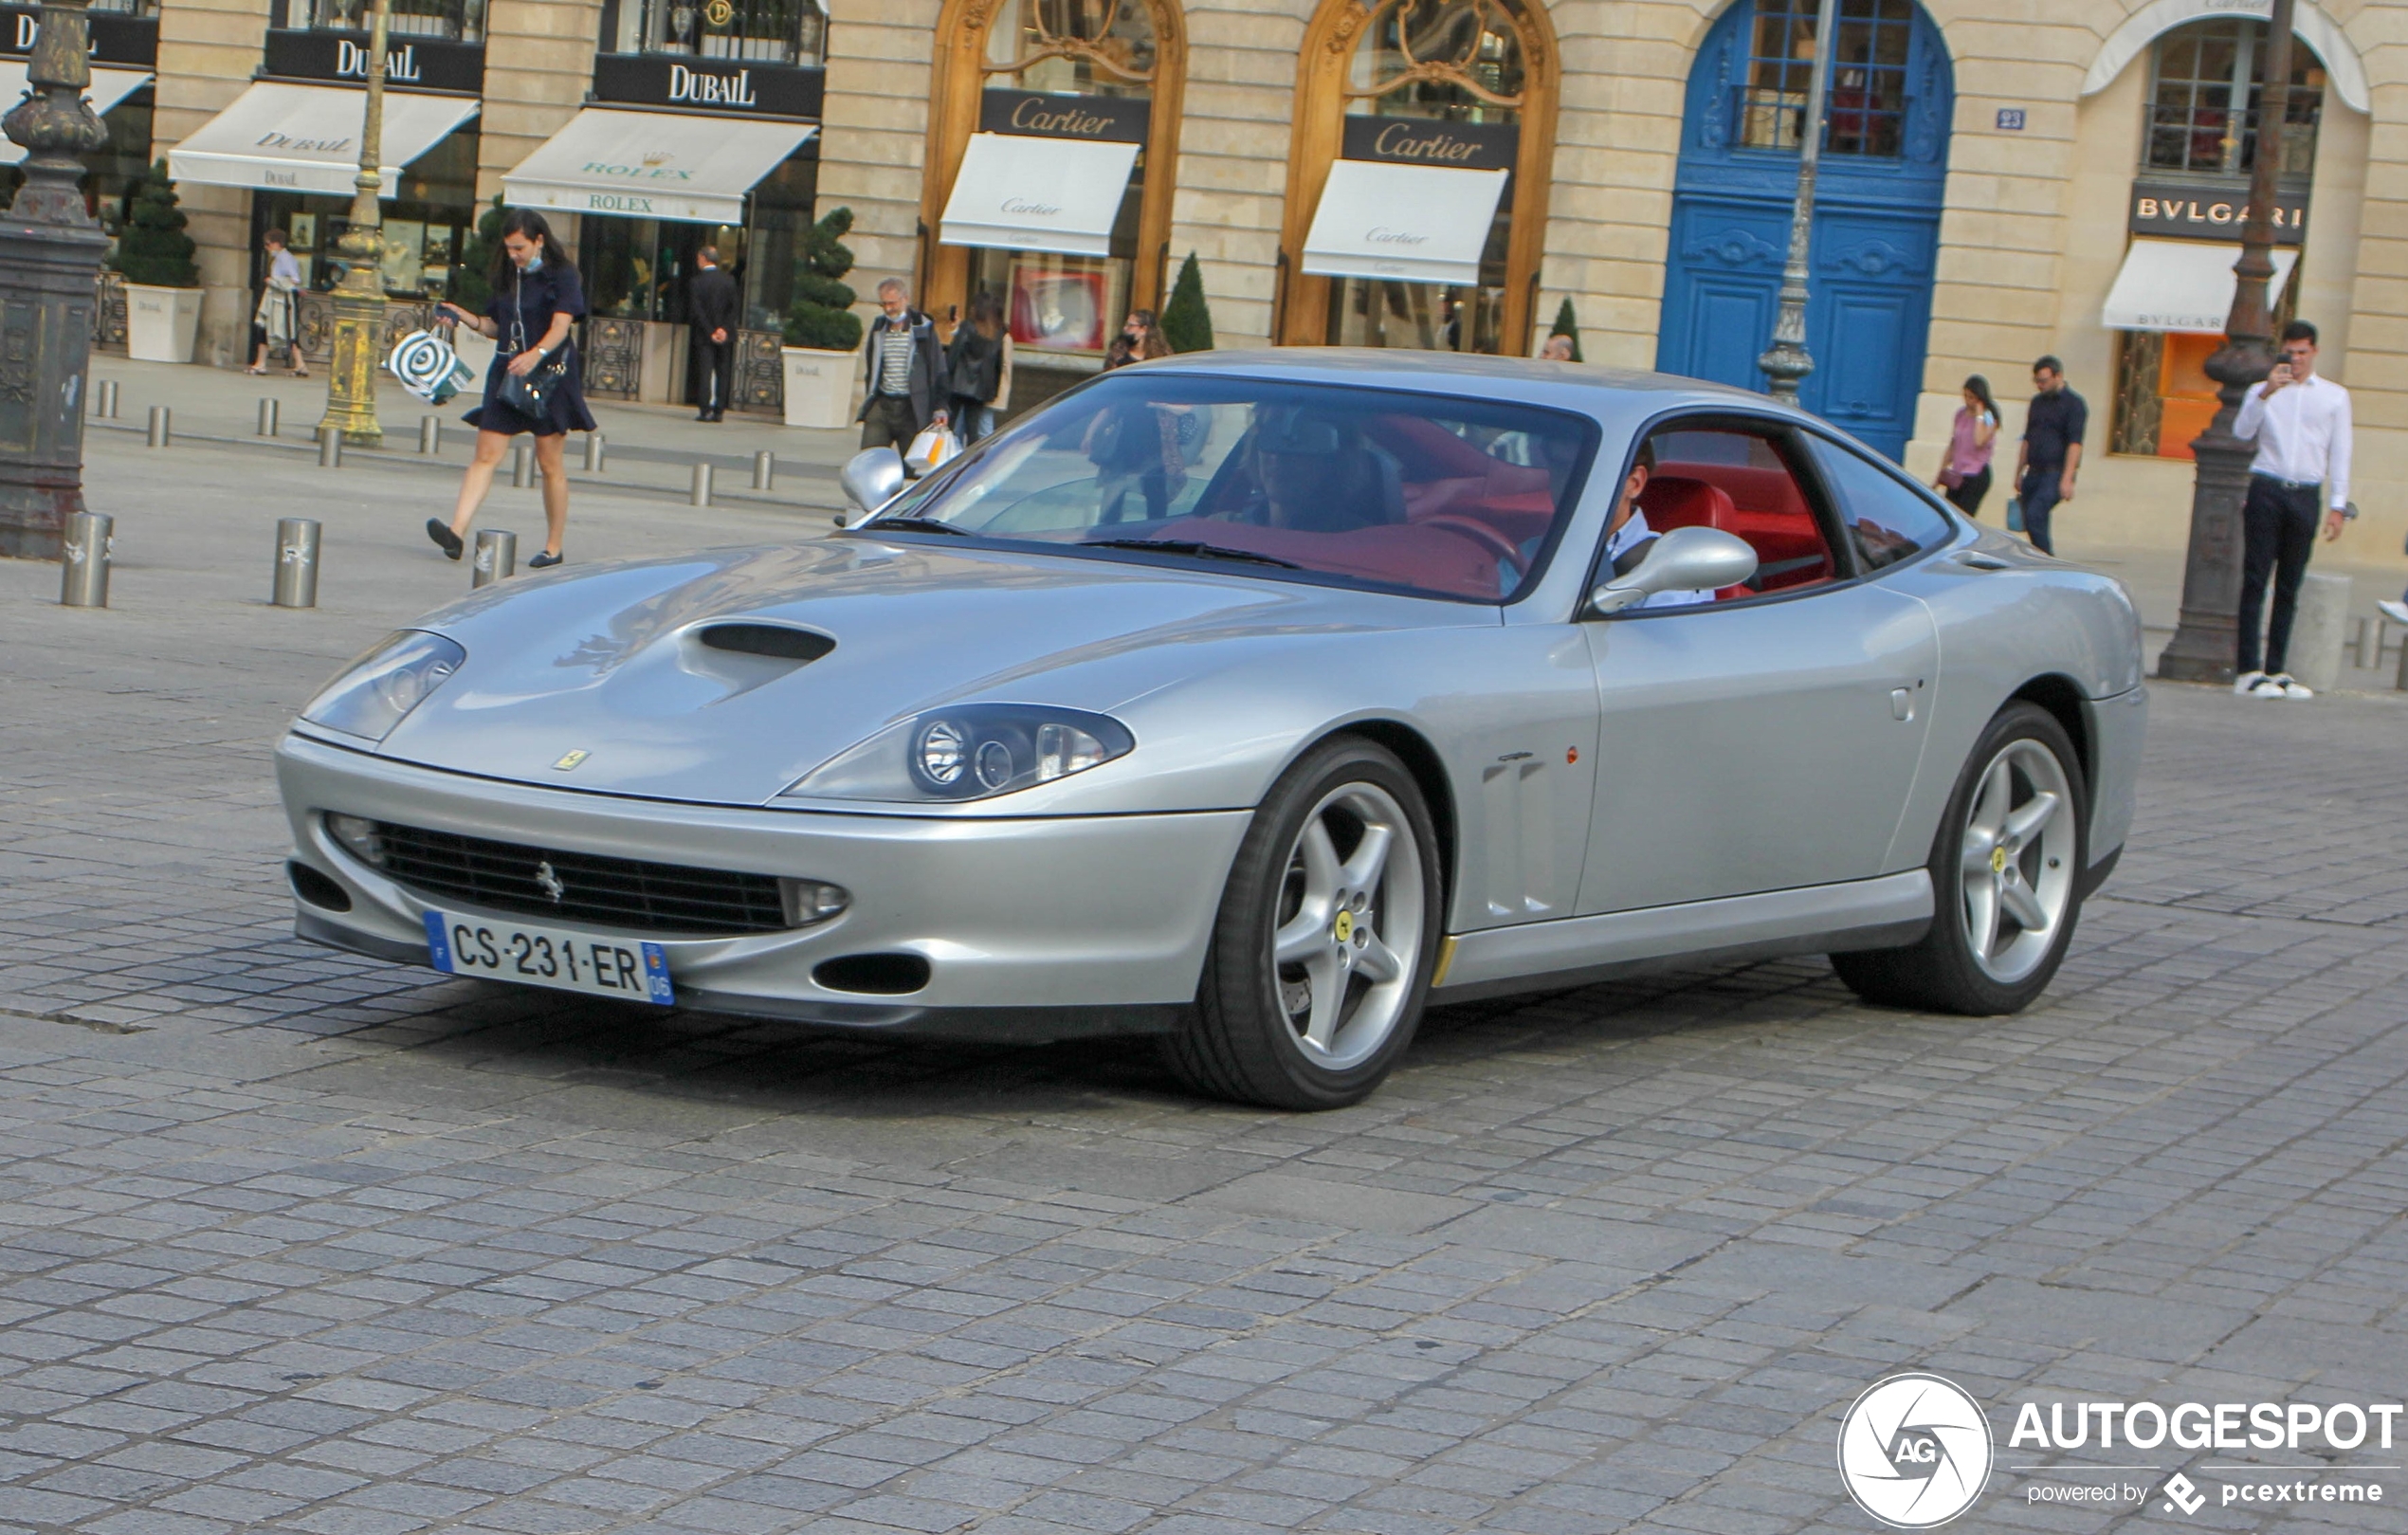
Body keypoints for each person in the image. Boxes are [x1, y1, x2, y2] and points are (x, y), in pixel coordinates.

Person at [428, 209, 594, 570]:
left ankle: (553, 546)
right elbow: (493, 326)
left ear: (539, 241)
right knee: (486, 453)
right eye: (509, 249)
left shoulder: (562, 275)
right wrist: (462, 315)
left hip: (550, 374)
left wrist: (536, 354)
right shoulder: (509, 274)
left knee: (549, 462)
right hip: (508, 371)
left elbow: (561, 326)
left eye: (519, 248)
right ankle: (455, 532)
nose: (514, 255)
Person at [2233, 320, 2354, 700]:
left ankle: (2276, 668)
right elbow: (2241, 431)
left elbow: (2341, 452)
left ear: (2314, 352)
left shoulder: (2334, 397)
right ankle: (2248, 669)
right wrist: (2267, 392)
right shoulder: (2263, 391)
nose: (2296, 360)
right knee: (2256, 578)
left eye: (2303, 353)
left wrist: (2338, 506)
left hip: (2305, 492)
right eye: (2290, 353)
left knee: (2290, 583)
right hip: (2268, 486)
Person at [1599, 439, 1715, 609]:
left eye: (1591, 475)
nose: (1567, 483)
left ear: (1634, 482)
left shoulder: (1672, 570)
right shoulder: (1549, 549)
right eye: (1557, 467)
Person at [858, 278, 948, 453]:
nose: (888, 309)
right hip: (883, 402)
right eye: (883, 304)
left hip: (912, 407)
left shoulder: (923, 328)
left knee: (913, 465)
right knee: (869, 458)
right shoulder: (879, 327)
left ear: (905, 299)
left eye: (892, 303)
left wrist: (940, 407)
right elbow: (872, 365)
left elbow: (938, 369)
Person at [2011, 356, 2086, 555]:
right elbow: (2027, 438)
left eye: (2043, 380)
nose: (2040, 385)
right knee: (2029, 519)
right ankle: (2040, 558)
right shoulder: (2037, 403)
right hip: (2034, 471)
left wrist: (2067, 478)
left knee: (2036, 513)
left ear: (2058, 376)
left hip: (2055, 472)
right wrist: (2018, 472)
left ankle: (2047, 560)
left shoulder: (2074, 404)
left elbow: (2075, 443)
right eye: (2037, 381)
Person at [945, 291, 1011, 445]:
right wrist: (992, 391)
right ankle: (973, 461)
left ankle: (947, 460)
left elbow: (953, 356)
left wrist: (945, 377)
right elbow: (998, 365)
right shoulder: (997, 333)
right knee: (973, 430)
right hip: (981, 388)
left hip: (957, 384)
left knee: (950, 425)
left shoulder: (967, 327)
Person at [686, 245, 739, 422]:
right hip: (725, 334)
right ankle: (719, 410)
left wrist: (710, 331)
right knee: (723, 371)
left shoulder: (697, 282)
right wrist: (723, 328)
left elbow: (697, 310)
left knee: (705, 371)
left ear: (703, 258)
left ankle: (704, 409)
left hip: (704, 334)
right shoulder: (729, 280)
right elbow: (733, 308)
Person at [1937, 375, 1999, 517]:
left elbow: (1979, 440)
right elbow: (1954, 444)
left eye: (1971, 397)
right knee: (1949, 515)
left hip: (1976, 474)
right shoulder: (1960, 414)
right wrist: (1942, 470)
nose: (1968, 401)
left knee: (1965, 516)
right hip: (1958, 474)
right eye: (1966, 396)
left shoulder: (1989, 417)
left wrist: (1979, 415)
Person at [246, 229, 306, 377]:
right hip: (277, 300)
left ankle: (261, 364)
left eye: (268, 244)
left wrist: (272, 282)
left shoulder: (283, 258)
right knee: (281, 330)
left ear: (276, 244)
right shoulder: (282, 258)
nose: (266, 248)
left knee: (273, 329)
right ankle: (299, 364)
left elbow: (294, 280)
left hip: (279, 301)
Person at [1104, 309, 1170, 371]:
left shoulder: (1161, 357)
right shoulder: (1118, 353)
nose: (1125, 328)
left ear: (1144, 329)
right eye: (1126, 324)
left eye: (1130, 325)